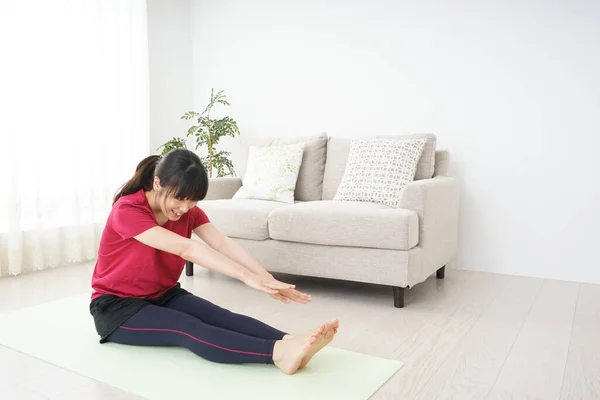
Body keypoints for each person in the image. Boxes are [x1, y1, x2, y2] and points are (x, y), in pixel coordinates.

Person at [89, 149, 338, 374]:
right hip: (116, 308)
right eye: (179, 199)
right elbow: (186, 248)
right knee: (186, 327)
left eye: (193, 201)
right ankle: (277, 354)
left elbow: (221, 242)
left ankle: (290, 342)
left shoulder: (188, 211)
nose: (185, 209)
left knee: (222, 317)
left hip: (163, 294)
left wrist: (266, 278)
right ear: (157, 183)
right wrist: (245, 277)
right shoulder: (128, 210)